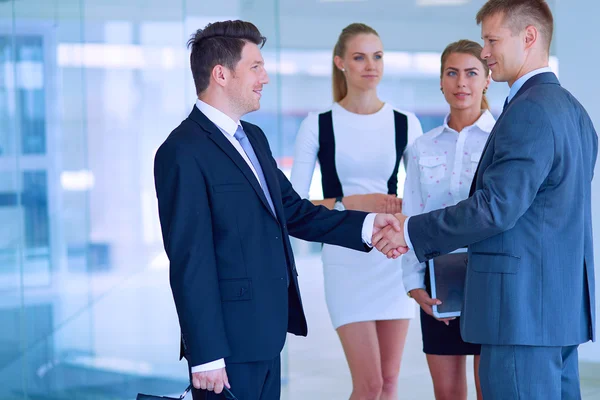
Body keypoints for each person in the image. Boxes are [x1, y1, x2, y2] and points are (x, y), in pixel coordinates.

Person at [153, 20, 404, 400]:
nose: (265, 78)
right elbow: (190, 259)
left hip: (267, 333)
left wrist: (367, 226)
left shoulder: (252, 136)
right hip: (225, 347)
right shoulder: (181, 151)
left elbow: (294, 211)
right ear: (221, 74)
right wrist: (205, 355)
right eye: (255, 66)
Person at [374, 1, 597, 398]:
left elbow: (495, 208)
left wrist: (410, 230)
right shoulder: (574, 111)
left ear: (529, 37)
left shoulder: (530, 110)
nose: (487, 52)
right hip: (556, 311)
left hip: (520, 313)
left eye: (492, 40)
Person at [290, 23, 422, 400]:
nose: (371, 65)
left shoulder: (405, 122)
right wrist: (352, 204)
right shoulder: (317, 124)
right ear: (340, 63)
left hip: (392, 258)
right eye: (360, 57)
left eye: (377, 56)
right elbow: (293, 207)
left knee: (391, 382)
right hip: (345, 261)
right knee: (369, 385)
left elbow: (420, 197)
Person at [401, 39, 493, 400]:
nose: (461, 83)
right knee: (448, 393)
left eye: (472, 73)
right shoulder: (423, 146)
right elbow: (412, 216)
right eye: (452, 73)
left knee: (490, 389)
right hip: (438, 281)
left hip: (490, 277)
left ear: (487, 79)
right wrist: (413, 284)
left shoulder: (502, 140)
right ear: (440, 81)